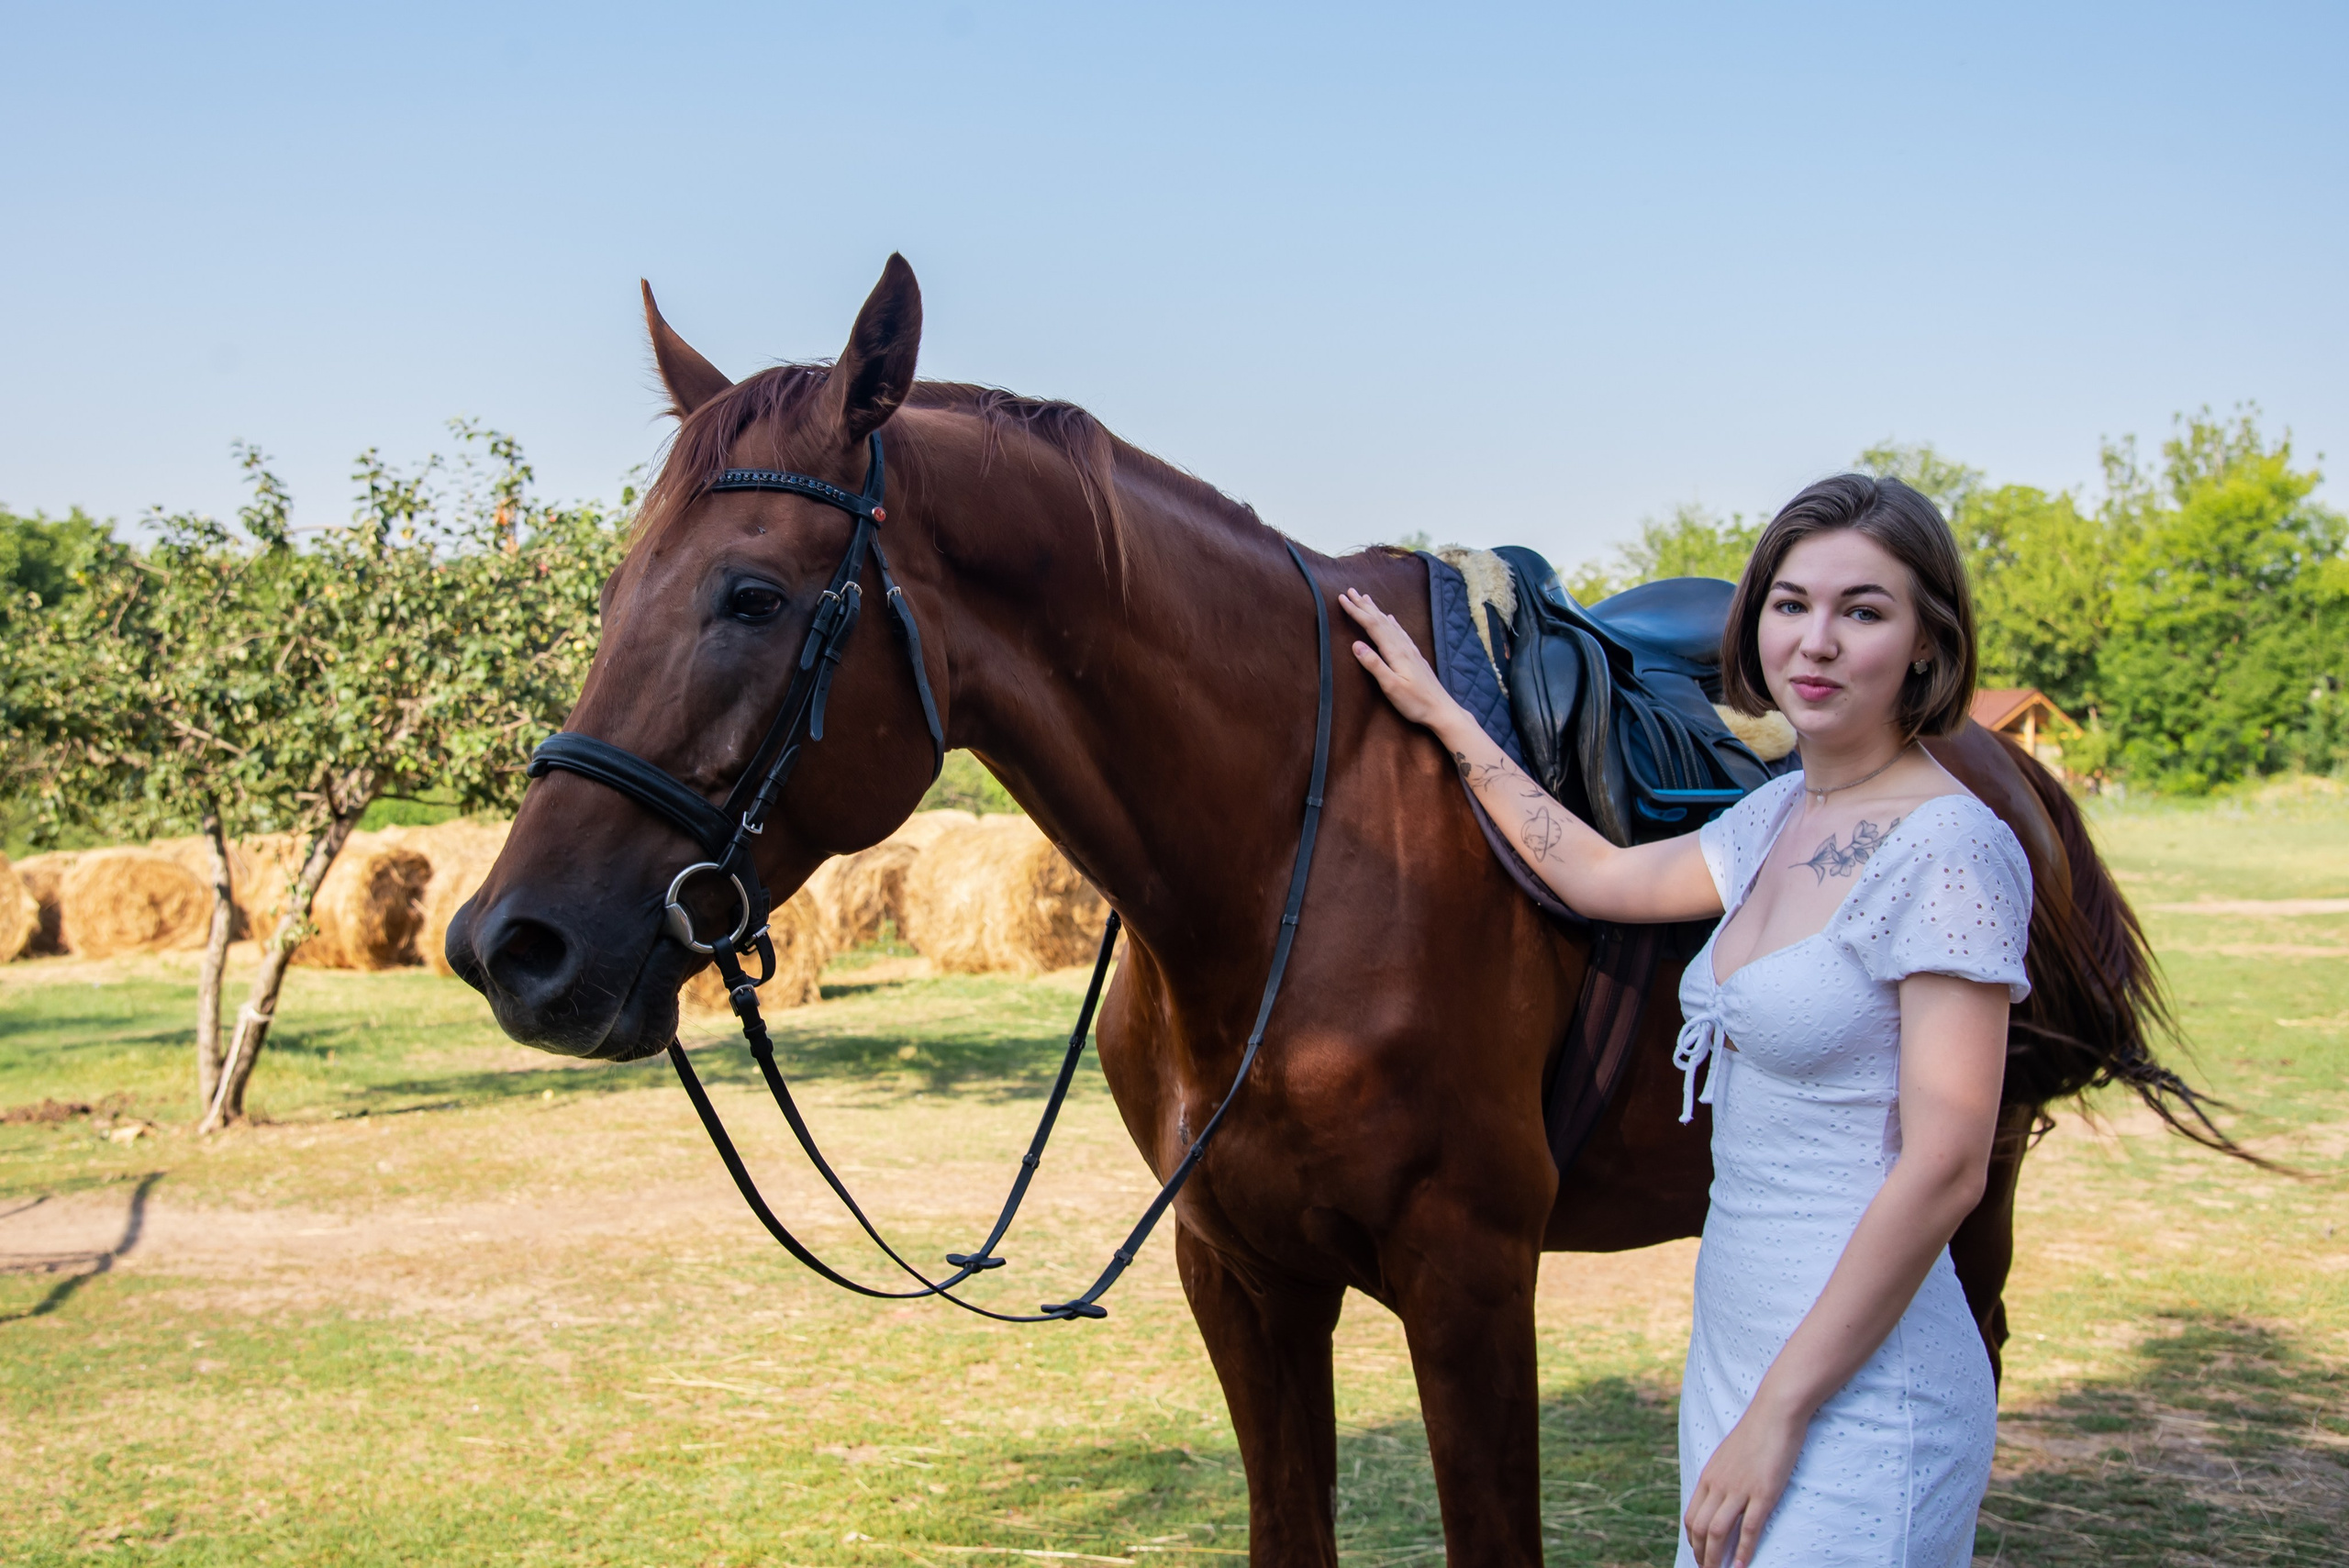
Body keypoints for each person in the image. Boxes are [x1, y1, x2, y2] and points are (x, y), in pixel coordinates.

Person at [1339, 474, 2029, 1568]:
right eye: (1790, 603)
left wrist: (1780, 1414)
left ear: (1928, 646)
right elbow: (1598, 870)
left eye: (1864, 610)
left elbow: (1944, 1168)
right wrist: (1448, 716)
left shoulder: (1951, 848)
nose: (1816, 641)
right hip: (1737, 1350)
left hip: (1862, 1384)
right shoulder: (1772, 815)